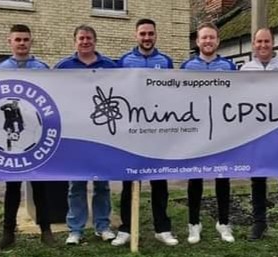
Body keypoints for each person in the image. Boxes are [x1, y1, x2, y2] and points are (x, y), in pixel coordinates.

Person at [111, 18, 178, 247]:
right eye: (143, 34)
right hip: (132, 132)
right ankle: (126, 229)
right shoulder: (124, 61)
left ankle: (163, 228)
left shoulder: (165, 61)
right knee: (129, 181)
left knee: (160, 182)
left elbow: (172, 94)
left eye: (150, 34)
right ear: (136, 35)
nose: (147, 38)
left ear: (156, 35)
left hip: (157, 131)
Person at [0, 24, 55, 250]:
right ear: (10, 42)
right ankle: (8, 233)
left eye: (25, 39)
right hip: (11, 139)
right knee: (12, 188)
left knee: (41, 186)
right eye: (17, 39)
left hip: (36, 136)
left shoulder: (41, 67)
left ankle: (46, 231)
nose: (22, 43)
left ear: (31, 42)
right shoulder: (0, 69)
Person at [54, 25, 116, 245]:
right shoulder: (63, 66)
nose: (85, 41)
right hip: (75, 136)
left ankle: (103, 226)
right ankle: (76, 230)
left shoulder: (110, 66)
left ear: (95, 40)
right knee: (76, 185)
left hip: (102, 135)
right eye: (81, 38)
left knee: (102, 184)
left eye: (89, 38)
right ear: (75, 41)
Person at [180, 22, 236, 244]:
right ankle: (194, 224)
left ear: (218, 41)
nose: (208, 41)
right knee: (195, 178)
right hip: (196, 131)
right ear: (197, 41)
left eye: (211, 37)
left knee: (223, 176)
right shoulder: (186, 67)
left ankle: (223, 223)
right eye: (204, 38)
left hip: (222, 131)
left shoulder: (229, 66)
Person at [241, 27, 278, 245]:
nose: (263, 45)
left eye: (266, 41)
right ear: (253, 44)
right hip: (256, 135)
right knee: (257, 179)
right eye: (259, 42)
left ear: (273, 43)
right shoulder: (245, 70)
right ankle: (259, 222)